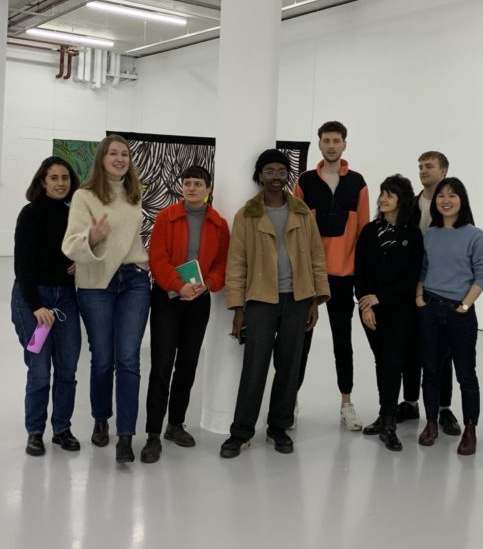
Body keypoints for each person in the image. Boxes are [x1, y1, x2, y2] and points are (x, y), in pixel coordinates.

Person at [221, 149, 330, 459]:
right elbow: (237, 262)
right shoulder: (248, 214)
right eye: (269, 171)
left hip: (297, 300)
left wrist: (315, 299)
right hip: (260, 301)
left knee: (289, 366)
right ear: (260, 176)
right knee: (254, 367)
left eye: (281, 171)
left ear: (287, 176)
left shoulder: (302, 212)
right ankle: (241, 431)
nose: (275, 176)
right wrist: (238, 308)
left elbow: (316, 257)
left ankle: (278, 428)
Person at [63, 134, 151, 463]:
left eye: (124, 154)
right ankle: (102, 417)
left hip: (134, 280)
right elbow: (71, 245)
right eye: (113, 153)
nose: (119, 159)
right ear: (101, 159)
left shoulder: (134, 194)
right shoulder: (85, 196)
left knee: (128, 358)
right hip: (96, 282)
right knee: (102, 358)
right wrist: (93, 236)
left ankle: (126, 435)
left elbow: (135, 239)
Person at [141, 165, 230, 464]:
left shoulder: (219, 224)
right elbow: (158, 258)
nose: (191, 188)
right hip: (167, 297)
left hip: (199, 299)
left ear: (208, 189)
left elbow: (221, 263)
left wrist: (208, 286)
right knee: (162, 364)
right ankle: (153, 432)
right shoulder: (166, 217)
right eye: (187, 183)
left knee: (188, 364)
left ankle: (175, 424)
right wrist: (179, 286)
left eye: (197, 183)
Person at [295, 121, 370, 431]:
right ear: (319, 144)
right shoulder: (305, 182)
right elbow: (295, 227)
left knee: (343, 340)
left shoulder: (358, 183)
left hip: (343, 276)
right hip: (311, 276)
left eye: (336, 140)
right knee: (300, 340)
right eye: (326, 140)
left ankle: (346, 403)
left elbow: (364, 230)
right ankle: (290, 400)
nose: (331, 145)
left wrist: (359, 272)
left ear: (344, 144)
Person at [11, 156, 82, 457]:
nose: (60, 183)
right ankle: (35, 432)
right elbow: (22, 265)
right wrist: (36, 305)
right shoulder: (30, 214)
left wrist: (81, 261)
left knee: (67, 368)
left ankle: (62, 429)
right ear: (43, 181)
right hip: (34, 301)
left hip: (65, 299)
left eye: (65, 177)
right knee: (40, 370)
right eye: (54, 178)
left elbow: (81, 248)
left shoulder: (74, 215)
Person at [416, 177, 483, 456]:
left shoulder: (475, 235)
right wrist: (419, 298)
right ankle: (432, 423)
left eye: (452, 195)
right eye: (441, 196)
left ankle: (470, 428)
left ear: (463, 200)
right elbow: (423, 269)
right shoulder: (431, 233)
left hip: (460, 312)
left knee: (466, 374)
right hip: (431, 310)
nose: (446, 200)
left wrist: (465, 305)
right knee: (431, 371)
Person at [354, 175, 423, 452]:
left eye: (390, 194)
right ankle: (385, 414)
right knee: (381, 361)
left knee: (393, 361)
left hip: (399, 309)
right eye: (382, 193)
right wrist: (366, 304)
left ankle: (390, 421)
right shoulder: (370, 231)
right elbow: (360, 272)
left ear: (401, 200)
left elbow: (411, 277)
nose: (383, 198)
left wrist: (380, 298)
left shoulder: (413, 234)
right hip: (370, 310)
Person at [395, 151, 459, 437]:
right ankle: (410, 402)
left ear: (443, 171)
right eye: (420, 166)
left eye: (429, 166)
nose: (423, 170)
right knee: (410, 347)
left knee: (443, 353)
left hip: (440, 287)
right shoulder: (411, 203)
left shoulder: (452, 204)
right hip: (411, 284)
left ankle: (444, 408)